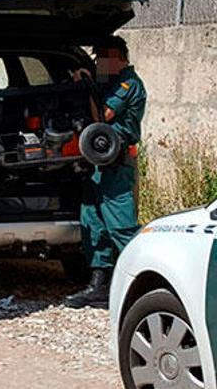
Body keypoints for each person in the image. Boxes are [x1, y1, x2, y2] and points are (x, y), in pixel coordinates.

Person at [64, 35, 146, 309]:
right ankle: (99, 284)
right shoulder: (107, 84)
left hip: (116, 165)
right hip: (98, 165)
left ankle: (146, 279)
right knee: (94, 222)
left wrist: (87, 86)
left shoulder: (128, 84)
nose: (98, 62)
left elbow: (103, 116)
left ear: (117, 56)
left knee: (120, 225)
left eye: (101, 57)